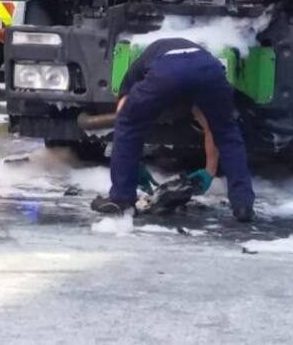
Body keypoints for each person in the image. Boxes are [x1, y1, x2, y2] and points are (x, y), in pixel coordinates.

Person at [90, 37, 255, 222]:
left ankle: (121, 199)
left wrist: (130, 166)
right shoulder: (198, 62)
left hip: (167, 72)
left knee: (128, 122)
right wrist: (210, 171)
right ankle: (243, 204)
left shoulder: (138, 68)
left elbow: (124, 113)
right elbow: (213, 129)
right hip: (209, 70)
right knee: (227, 133)